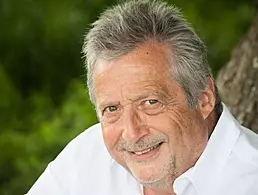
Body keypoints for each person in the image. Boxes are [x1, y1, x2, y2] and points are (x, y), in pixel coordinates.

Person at [27, 0, 258, 195]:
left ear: (203, 98)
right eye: (112, 109)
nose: (132, 133)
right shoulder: (85, 158)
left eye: (150, 103)